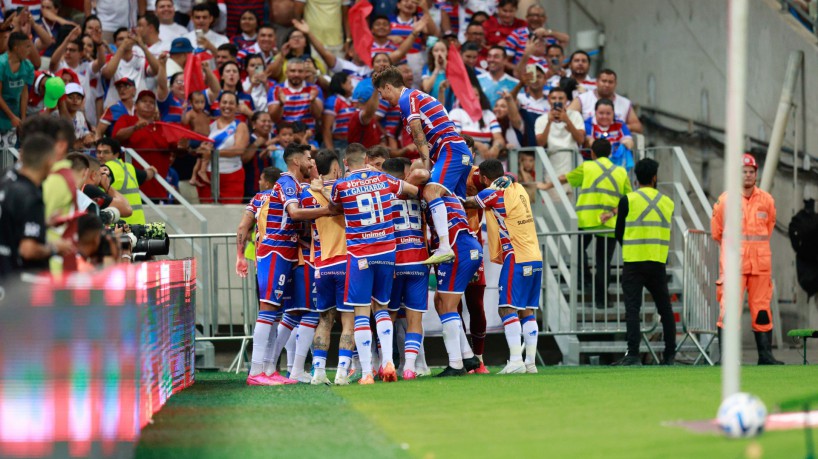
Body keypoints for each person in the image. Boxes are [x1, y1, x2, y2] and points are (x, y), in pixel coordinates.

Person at [235, 144, 331, 386]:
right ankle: (256, 371)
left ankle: (268, 370)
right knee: (268, 310)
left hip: (287, 253)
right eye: (308, 159)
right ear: (297, 162)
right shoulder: (286, 183)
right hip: (274, 251)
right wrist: (327, 210)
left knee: (277, 312)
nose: (311, 162)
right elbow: (295, 213)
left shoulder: (296, 185)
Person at [328, 143, 420, 384]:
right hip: (387, 251)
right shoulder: (384, 178)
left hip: (361, 254)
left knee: (361, 311)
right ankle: (388, 362)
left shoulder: (341, 185)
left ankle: (368, 372)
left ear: (345, 163)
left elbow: (333, 207)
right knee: (382, 308)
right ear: (367, 159)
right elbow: (412, 189)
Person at [373, 65, 473, 265]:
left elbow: (419, 134)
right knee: (455, 204)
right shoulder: (418, 96)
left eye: (381, 92)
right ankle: (465, 251)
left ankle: (444, 247)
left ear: (388, 87)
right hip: (457, 150)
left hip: (450, 150)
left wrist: (426, 164)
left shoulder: (406, 99)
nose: (382, 98)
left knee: (430, 192)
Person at [467, 159, 542, 374]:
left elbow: (468, 203)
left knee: (506, 308)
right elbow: (511, 177)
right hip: (535, 256)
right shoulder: (518, 188)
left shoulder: (492, 192)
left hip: (516, 255)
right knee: (527, 310)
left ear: (483, 178)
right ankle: (530, 363)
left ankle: (516, 361)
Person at [711, 153, 784, 365]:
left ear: (756, 174)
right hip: (734, 265)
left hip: (760, 265)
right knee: (729, 311)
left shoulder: (767, 200)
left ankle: (765, 356)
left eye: (751, 172)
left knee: (762, 310)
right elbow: (716, 232)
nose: (748, 175)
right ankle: (727, 358)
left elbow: (768, 228)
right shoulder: (726, 200)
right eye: (744, 172)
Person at [540, 139, 631, 308]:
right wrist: (612, 213)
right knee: (603, 262)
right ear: (610, 153)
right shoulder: (621, 171)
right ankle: (602, 300)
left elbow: (565, 178)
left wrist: (546, 185)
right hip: (610, 222)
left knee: (577, 249)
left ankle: (586, 280)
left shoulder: (587, 167)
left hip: (586, 221)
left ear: (592, 153)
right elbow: (628, 200)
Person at [612, 158, 676, 366]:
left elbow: (618, 232)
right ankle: (670, 355)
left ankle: (633, 354)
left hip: (633, 261)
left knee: (633, 309)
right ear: (655, 177)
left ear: (636, 178)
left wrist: (630, 245)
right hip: (657, 260)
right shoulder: (667, 202)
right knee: (665, 309)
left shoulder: (627, 200)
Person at [301, 150, 349, 385]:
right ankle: (342, 373)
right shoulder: (344, 189)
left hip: (321, 265)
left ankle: (318, 373)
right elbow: (340, 208)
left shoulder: (307, 193)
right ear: (337, 169)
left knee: (325, 320)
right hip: (345, 261)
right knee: (348, 321)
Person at [0, 133, 73, 280]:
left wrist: (43, 223)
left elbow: (10, 224)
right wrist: (55, 248)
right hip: (20, 282)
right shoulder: (30, 196)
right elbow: (28, 250)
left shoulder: (6, 182)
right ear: (48, 161)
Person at [197, 91, 249, 204]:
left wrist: (214, 152)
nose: (227, 106)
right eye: (224, 102)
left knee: (231, 212)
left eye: (231, 103)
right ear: (219, 104)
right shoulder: (209, 124)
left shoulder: (241, 126)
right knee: (205, 211)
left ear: (236, 107)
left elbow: (239, 149)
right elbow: (200, 147)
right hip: (208, 176)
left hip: (232, 176)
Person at [568, 68, 643, 134]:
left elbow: (638, 127)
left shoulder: (625, 103)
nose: (607, 85)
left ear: (615, 84)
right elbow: (567, 117)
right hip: (588, 141)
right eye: (604, 81)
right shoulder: (582, 99)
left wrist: (618, 128)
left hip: (616, 142)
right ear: (596, 82)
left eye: (610, 82)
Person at [95, 137, 149, 225]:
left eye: (106, 152)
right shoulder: (129, 167)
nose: (101, 155)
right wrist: (153, 170)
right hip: (138, 224)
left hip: (120, 226)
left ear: (116, 155)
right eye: (98, 152)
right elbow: (146, 175)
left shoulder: (106, 168)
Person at [268, 58, 322, 133]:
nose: (296, 74)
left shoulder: (315, 89)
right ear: (286, 73)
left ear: (305, 73)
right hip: (283, 137)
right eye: (293, 71)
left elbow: (318, 115)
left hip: (307, 136)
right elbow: (274, 118)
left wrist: (313, 101)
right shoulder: (275, 89)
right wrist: (280, 104)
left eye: (300, 71)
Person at [0, 32, 34, 151]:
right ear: (16, 47)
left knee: (7, 157)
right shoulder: (1, 64)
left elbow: (24, 93)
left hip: (12, 117)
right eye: (27, 46)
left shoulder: (28, 67)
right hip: (6, 115)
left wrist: (22, 118)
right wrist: (12, 117)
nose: (29, 50)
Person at [584, 98, 634, 170]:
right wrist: (610, 146)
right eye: (601, 113)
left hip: (615, 165)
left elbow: (629, 143)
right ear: (595, 112)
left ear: (613, 113)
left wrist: (621, 145)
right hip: (593, 165)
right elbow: (589, 142)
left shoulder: (620, 124)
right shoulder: (589, 124)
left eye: (608, 113)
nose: (604, 116)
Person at [322, 72, 354, 150]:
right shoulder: (333, 101)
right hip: (337, 144)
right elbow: (326, 128)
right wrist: (330, 149)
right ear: (342, 84)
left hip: (350, 143)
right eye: (349, 83)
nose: (352, 86)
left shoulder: (349, 101)